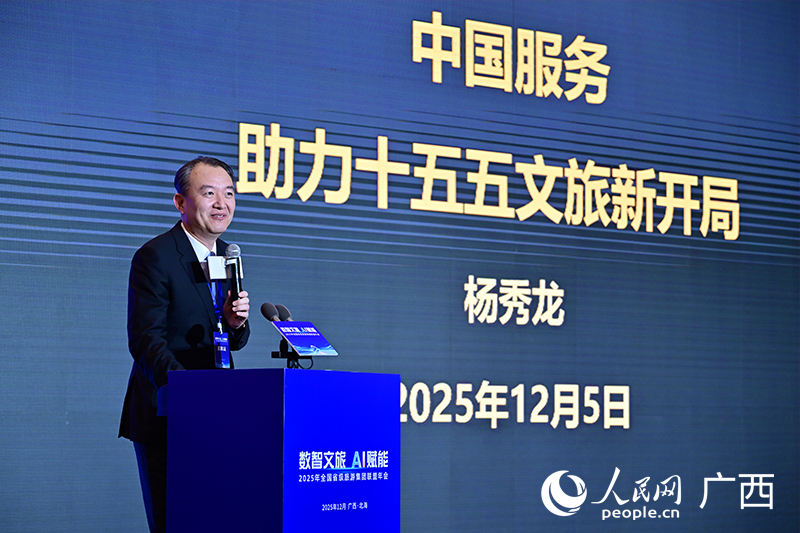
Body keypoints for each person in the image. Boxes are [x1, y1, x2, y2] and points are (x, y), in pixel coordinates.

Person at [119, 156, 251, 533]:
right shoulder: (156, 256)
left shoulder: (227, 257)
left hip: (219, 414)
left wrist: (234, 325)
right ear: (180, 202)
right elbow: (146, 339)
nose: (221, 203)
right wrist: (190, 393)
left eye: (229, 194)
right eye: (209, 193)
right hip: (169, 414)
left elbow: (230, 339)